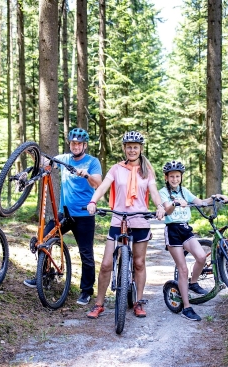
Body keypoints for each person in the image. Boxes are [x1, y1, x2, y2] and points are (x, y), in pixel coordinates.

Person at [86, 131, 165, 319]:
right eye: (128, 146)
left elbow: (153, 192)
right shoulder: (116, 169)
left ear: (140, 149)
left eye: (135, 147)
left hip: (139, 220)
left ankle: (138, 302)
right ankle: (99, 304)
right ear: (124, 148)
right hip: (118, 219)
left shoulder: (147, 170)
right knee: (106, 264)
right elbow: (103, 186)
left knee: (139, 263)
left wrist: (160, 206)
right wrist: (93, 202)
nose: (132, 150)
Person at [23, 128, 103, 305]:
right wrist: (31, 151)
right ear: (70, 144)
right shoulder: (65, 159)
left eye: (79, 143)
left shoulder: (92, 161)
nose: (75, 146)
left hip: (84, 215)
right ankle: (43, 275)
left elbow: (97, 182)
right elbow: (46, 162)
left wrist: (87, 174)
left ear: (84, 145)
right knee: (43, 238)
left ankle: (86, 291)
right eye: (73, 143)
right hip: (64, 214)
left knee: (86, 254)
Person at [159, 160, 227, 321]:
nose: (175, 179)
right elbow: (167, 209)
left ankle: (193, 283)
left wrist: (214, 197)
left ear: (181, 177)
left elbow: (201, 203)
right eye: (172, 177)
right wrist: (175, 203)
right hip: (173, 230)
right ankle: (187, 308)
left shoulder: (184, 191)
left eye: (177, 176)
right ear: (166, 178)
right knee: (183, 269)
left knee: (202, 257)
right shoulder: (163, 192)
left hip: (185, 229)